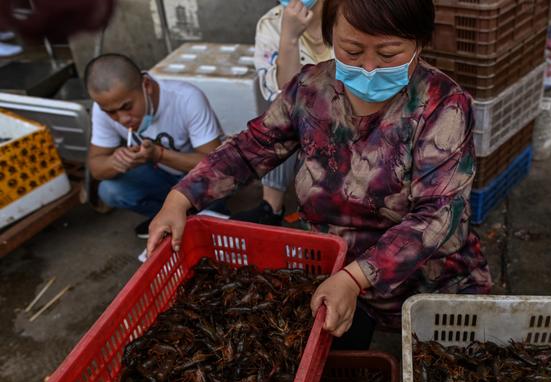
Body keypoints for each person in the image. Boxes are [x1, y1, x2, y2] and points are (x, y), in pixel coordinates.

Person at [147, 0, 492, 348]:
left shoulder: (442, 104)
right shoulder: (311, 89)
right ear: (330, 37)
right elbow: (250, 147)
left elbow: (438, 213)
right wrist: (180, 198)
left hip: (425, 281)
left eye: (388, 54)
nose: (369, 68)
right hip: (333, 271)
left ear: (419, 43)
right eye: (352, 50)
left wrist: (355, 279)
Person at [85, 53, 225, 238]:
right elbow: (96, 167)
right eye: (110, 112)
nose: (122, 119)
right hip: (161, 176)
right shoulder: (104, 107)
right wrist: (116, 162)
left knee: (214, 178)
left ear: (147, 86)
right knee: (109, 190)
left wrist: (158, 154)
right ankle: (166, 217)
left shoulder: (186, 98)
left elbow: (216, 164)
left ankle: (209, 213)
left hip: (197, 179)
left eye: (127, 107)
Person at [233, 0, 332, 225]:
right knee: (278, 121)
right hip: (304, 120)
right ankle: (271, 206)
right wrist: (289, 38)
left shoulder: (353, 13)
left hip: (349, 120)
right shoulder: (271, 24)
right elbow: (284, 97)